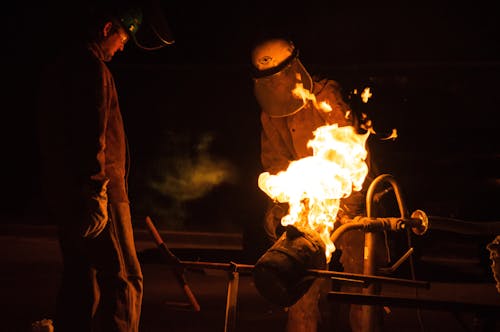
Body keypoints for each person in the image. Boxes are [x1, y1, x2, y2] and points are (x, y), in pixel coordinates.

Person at [36, 2, 173, 331]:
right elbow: (91, 134)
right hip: (100, 193)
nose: (123, 46)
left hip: (66, 193)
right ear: (107, 29)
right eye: (123, 37)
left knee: (81, 276)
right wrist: (97, 191)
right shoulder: (92, 68)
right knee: (124, 279)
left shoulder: (60, 66)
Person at [250, 37, 387, 332]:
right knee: (299, 277)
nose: (275, 85)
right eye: (267, 79)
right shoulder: (270, 113)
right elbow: (274, 161)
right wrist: (284, 201)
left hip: (352, 197)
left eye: (279, 76)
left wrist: (345, 207)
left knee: (361, 279)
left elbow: (349, 155)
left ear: (295, 68)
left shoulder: (325, 96)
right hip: (308, 200)